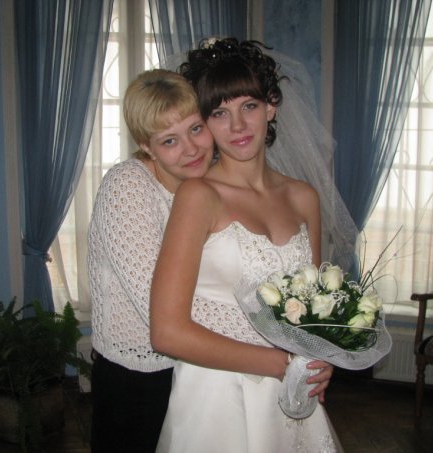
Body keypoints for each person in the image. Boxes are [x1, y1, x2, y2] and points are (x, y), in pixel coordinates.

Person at [150, 38, 342, 452]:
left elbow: (311, 313)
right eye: (219, 113)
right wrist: (280, 364)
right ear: (205, 122)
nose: (236, 126)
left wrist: (319, 360)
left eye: (248, 106)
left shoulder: (303, 197)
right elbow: (166, 332)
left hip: (291, 392)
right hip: (217, 397)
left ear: (271, 106)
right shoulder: (199, 196)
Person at [87, 69, 214, 453]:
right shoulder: (127, 186)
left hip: (198, 368)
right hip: (137, 378)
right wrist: (258, 344)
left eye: (196, 129)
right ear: (147, 146)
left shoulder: (207, 185)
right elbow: (157, 309)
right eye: (170, 140)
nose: (191, 149)